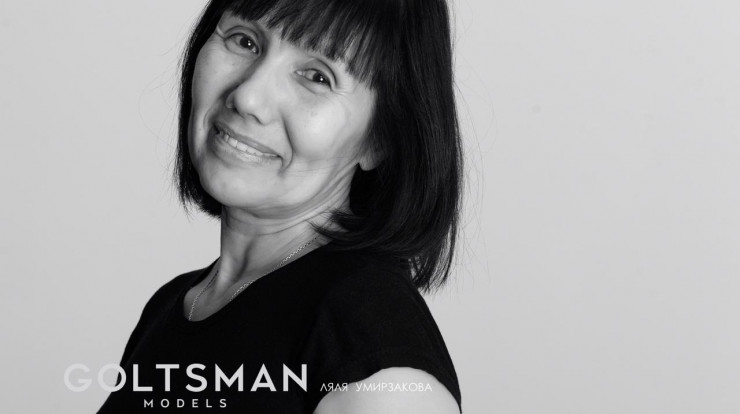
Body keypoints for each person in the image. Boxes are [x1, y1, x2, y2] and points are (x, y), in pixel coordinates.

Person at [98, 0, 464, 412]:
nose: (248, 97)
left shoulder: (374, 354)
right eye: (244, 41)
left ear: (381, 138)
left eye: (317, 76)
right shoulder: (174, 305)